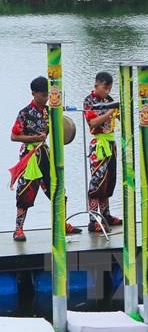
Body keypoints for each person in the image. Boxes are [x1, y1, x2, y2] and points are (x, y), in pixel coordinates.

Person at [11, 77, 82, 241]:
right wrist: (35, 137)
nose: (46, 98)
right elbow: (14, 136)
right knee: (25, 194)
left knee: (58, 190)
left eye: (47, 95)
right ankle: (18, 230)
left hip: (45, 154)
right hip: (30, 157)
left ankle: (61, 224)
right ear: (34, 93)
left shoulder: (50, 111)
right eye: (43, 95)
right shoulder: (25, 113)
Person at [83, 71, 122, 232]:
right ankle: (93, 220)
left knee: (108, 181)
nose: (107, 91)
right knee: (96, 183)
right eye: (105, 88)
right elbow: (93, 122)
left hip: (111, 143)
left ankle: (105, 214)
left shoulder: (109, 100)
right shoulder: (89, 101)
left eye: (109, 88)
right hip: (98, 144)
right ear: (97, 85)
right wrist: (110, 112)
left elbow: (119, 117)